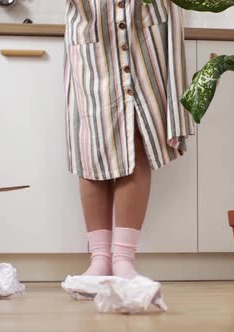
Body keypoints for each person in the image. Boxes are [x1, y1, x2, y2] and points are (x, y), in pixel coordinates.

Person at [64, 0, 194, 278]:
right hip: (92, 30)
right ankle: (99, 259)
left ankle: (123, 258)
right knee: (92, 147)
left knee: (138, 137)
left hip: (144, 32)